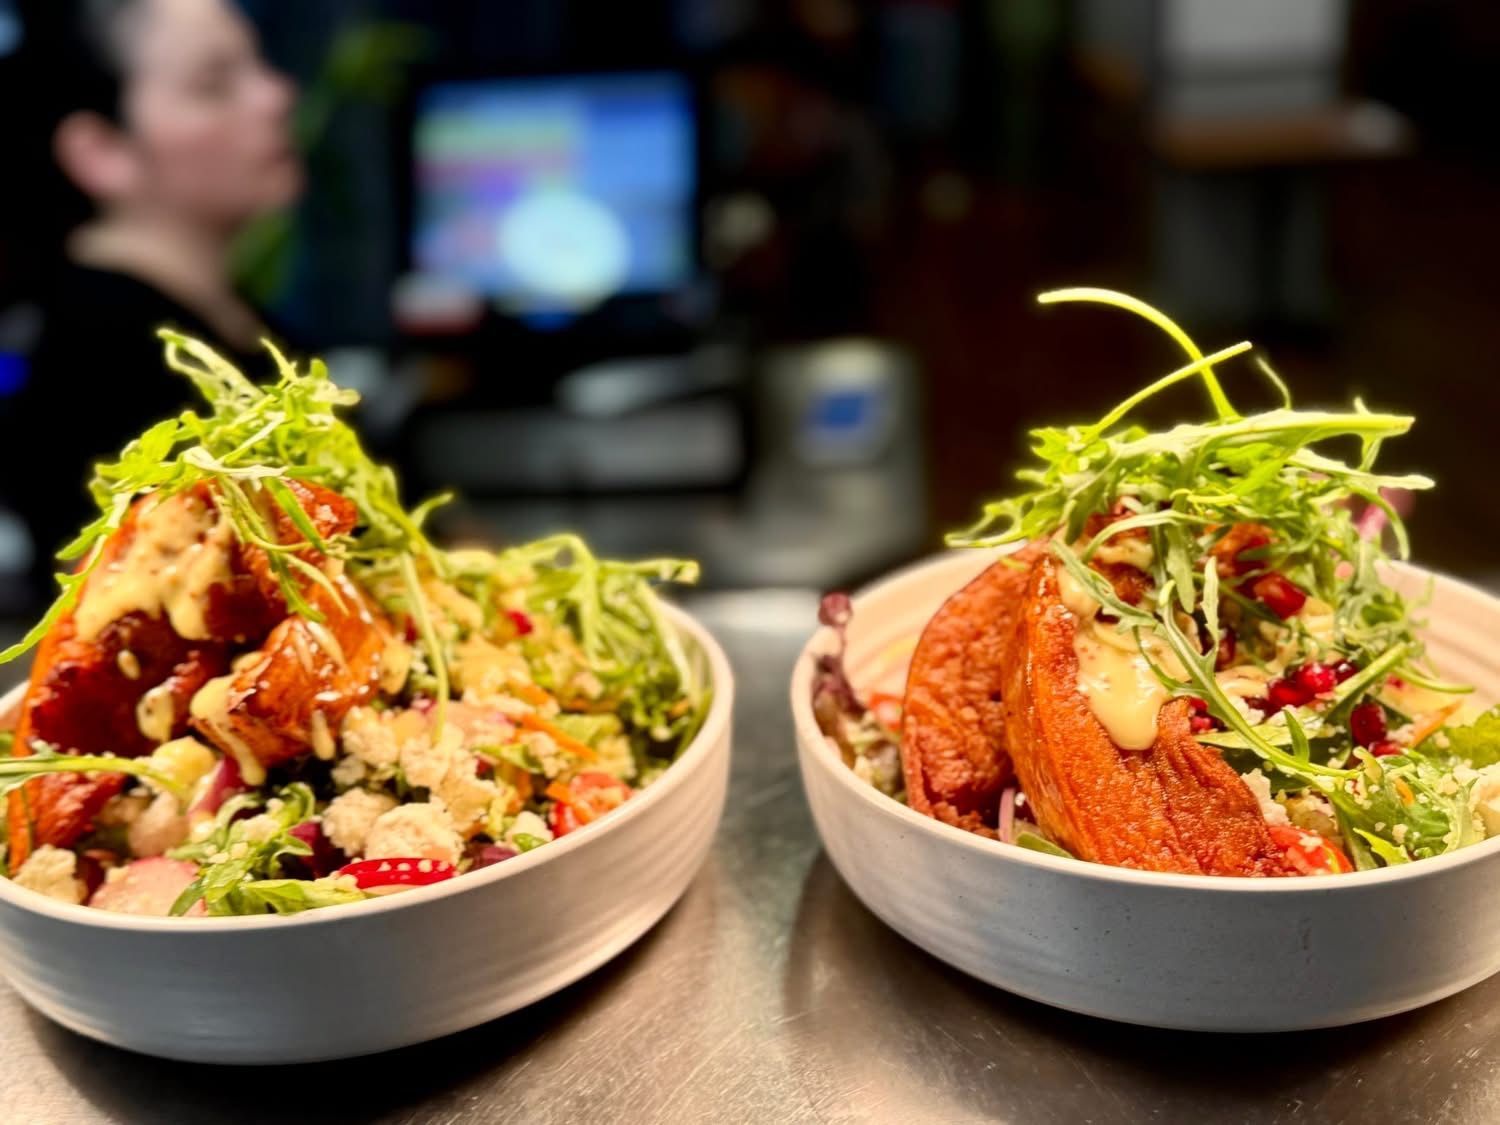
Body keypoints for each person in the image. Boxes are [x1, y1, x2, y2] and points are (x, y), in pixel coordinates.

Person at [3, 0, 301, 600]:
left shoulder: (240, 321)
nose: (276, 96)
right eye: (213, 85)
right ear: (101, 152)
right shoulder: (94, 357)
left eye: (259, 67)